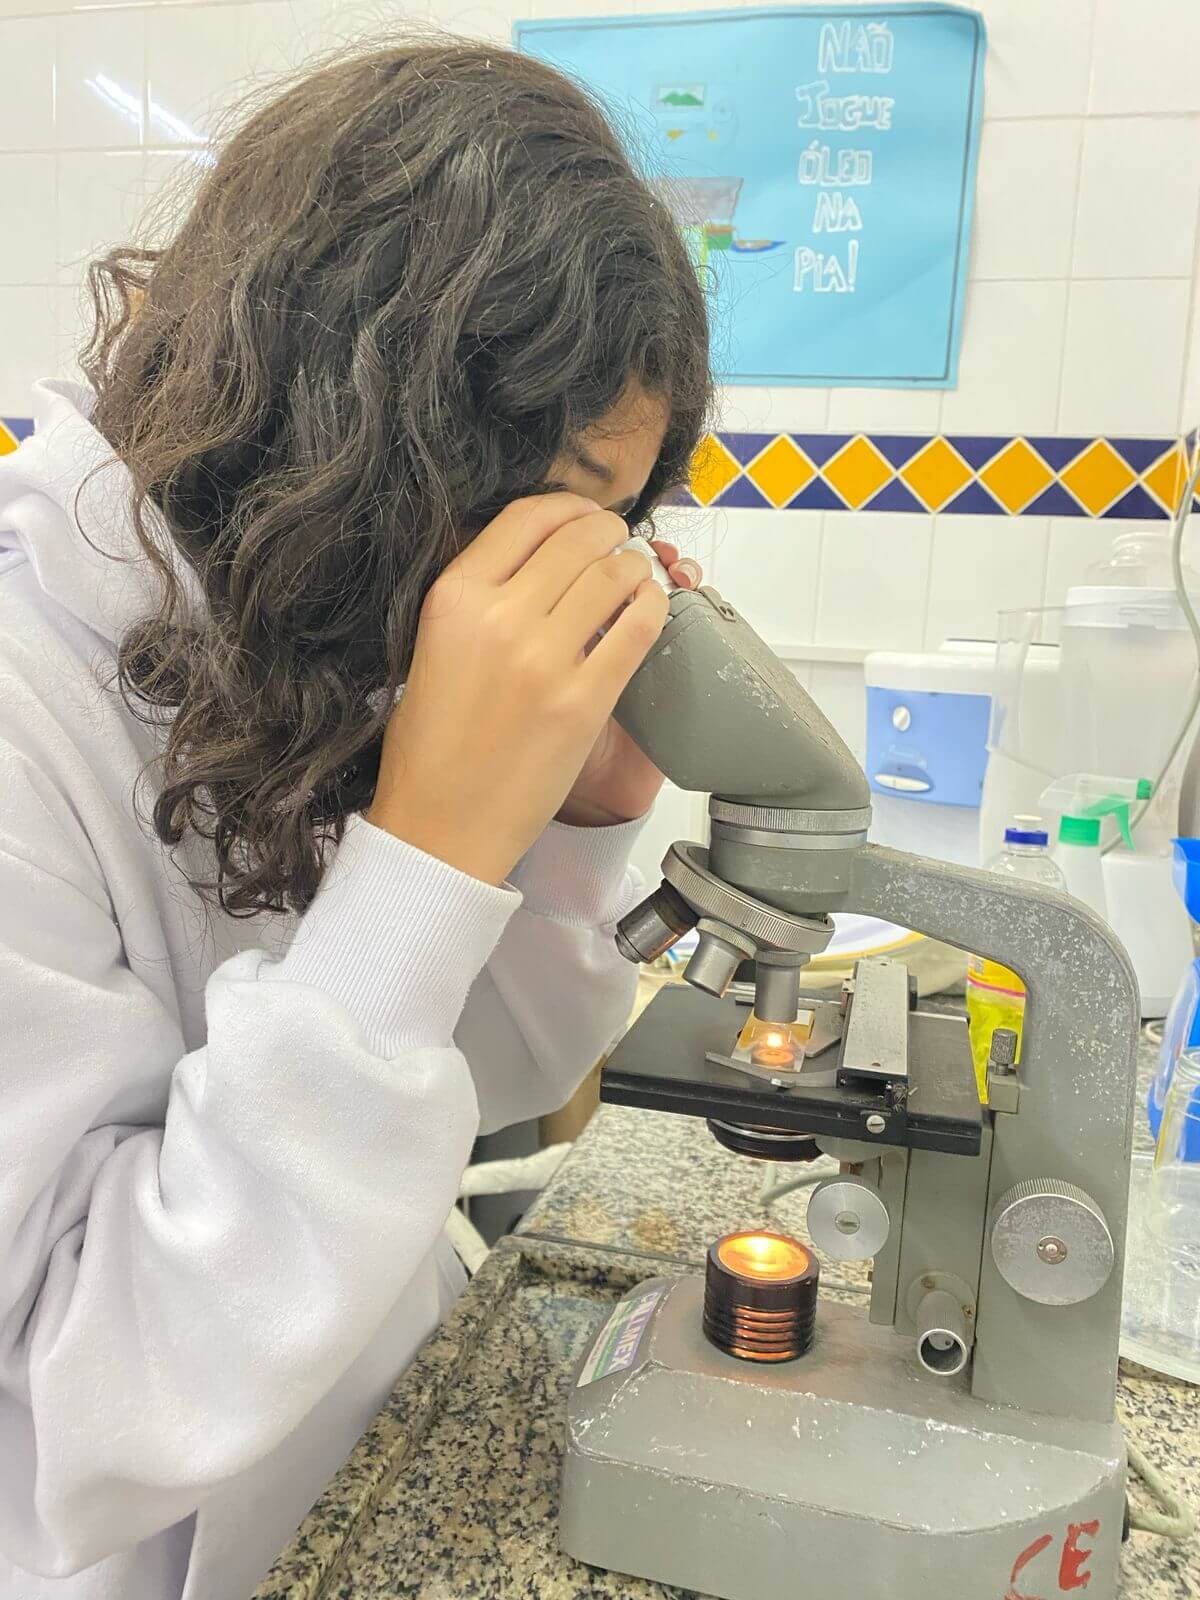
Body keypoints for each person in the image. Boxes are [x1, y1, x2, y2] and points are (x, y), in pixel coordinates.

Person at [0, 39, 710, 1600]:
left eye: (608, 522)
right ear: (363, 431)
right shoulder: (28, 704)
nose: (567, 570)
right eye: (553, 510)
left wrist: (566, 827)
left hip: (353, 1474)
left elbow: (476, 1081)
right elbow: (83, 1400)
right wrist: (423, 859)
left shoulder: (301, 628)